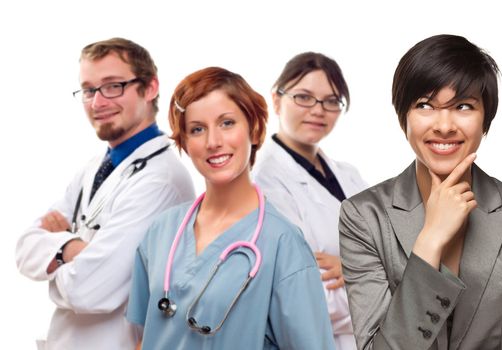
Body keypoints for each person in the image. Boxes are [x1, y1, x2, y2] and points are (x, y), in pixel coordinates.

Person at [339, 34, 502, 350]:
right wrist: (430, 240)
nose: (444, 125)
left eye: (463, 106)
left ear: (485, 118)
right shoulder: (363, 217)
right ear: (403, 116)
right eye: (425, 105)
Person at [126, 67, 334, 349]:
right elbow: (143, 337)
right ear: (185, 143)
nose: (213, 142)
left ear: (255, 129)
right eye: (197, 129)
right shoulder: (161, 231)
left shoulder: (283, 243)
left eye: (227, 123)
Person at [14, 37, 194, 350]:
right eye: (88, 89)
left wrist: (57, 252)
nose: (97, 103)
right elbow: (25, 248)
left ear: (150, 88)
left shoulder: (160, 181)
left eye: (113, 86)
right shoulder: (96, 166)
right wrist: (75, 248)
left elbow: (89, 290)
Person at [253, 52, 367, 349]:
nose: (319, 110)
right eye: (304, 97)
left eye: (331, 101)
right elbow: (309, 298)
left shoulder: (349, 175)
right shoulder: (263, 184)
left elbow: (397, 246)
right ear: (276, 100)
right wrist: (377, 274)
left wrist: (353, 267)